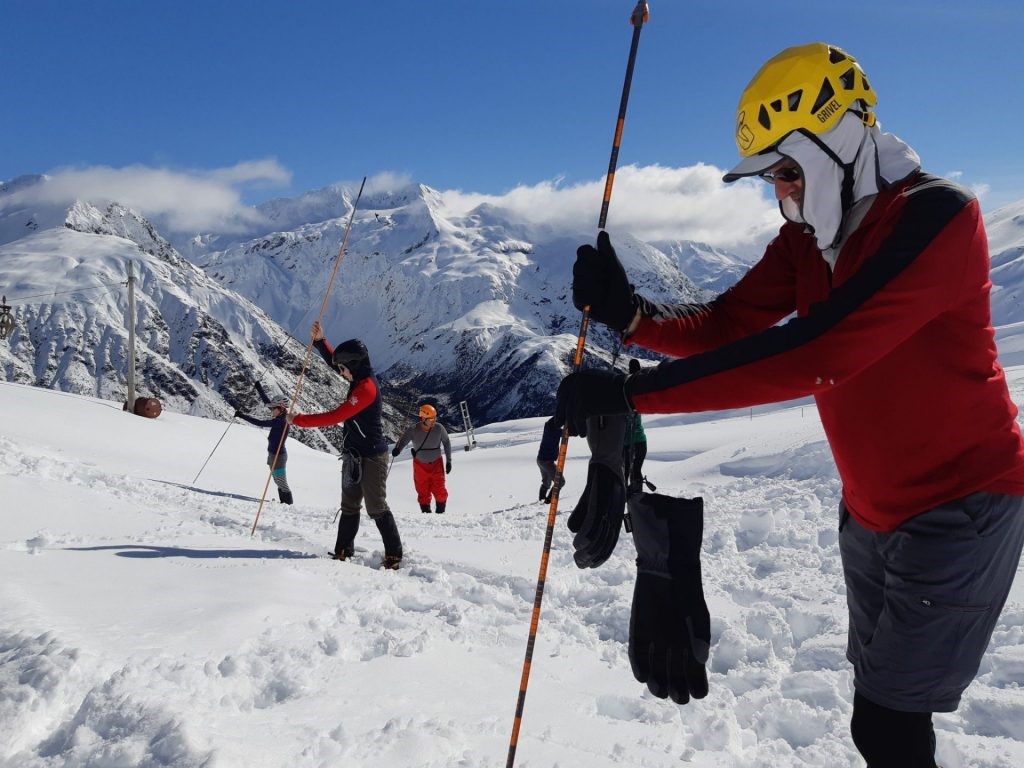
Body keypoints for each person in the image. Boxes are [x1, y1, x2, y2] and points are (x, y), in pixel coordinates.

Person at [555, 42, 1024, 768]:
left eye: (787, 170)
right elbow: (728, 324)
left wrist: (632, 394)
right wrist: (632, 315)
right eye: (774, 177)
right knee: (886, 713)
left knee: (889, 726)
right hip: (870, 511)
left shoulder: (938, 220)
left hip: (962, 505)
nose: (782, 192)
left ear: (836, 142)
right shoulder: (805, 237)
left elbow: (822, 353)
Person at [287, 320, 404, 570]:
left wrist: (297, 420)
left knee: (377, 507)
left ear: (352, 366)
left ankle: (394, 553)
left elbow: (335, 416)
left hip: (372, 457)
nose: (340, 373)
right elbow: (335, 362)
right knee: (349, 505)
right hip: (353, 455)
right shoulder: (359, 376)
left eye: (343, 369)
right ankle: (342, 550)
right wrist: (320, 342)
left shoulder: (366, 389)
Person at [235, 388, 293, 505]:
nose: (271, 410)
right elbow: (268, 403)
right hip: (273, 454)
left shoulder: (281, 421)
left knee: (281, 481)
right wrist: (259, 388)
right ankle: (284, 503)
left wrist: (242, 416)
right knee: (277, 480)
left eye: (273, 408)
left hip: (278, 456)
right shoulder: (279, 416)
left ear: (281, 408)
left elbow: (260, 423)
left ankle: (288, 504)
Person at [392, 404, 453, 514]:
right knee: (422, 490)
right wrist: (398, 449)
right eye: (431, 419)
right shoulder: (413, 429)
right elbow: (403, 441)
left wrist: (449, 461)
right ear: (423, 418)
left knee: (440, 490)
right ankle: (426, 514)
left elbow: (447, 443)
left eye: (435, 418)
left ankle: (440, 513)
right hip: (420, 465)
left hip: (436, 464)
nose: (434, 421)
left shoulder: (439, 428)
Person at [622, 359, 649, 494]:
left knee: (625, 473)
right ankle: (637, 502)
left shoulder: (624, 387)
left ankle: (622, 502)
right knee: (635, 471)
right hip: (640, 441)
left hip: (626, 443)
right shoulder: (641, 389)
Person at [536, 416, 565, 503]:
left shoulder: (548, 427)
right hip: (547, 462)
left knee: (546, 482)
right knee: (560, 481)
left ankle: (541, 501)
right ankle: (549, 501)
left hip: (541, 460)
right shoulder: (553, 431)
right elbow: (566, 433)